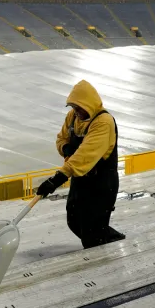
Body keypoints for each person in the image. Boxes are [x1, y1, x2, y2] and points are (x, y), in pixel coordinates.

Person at [35, 80, 125, 249]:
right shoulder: (73, 118)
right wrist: (67, 149)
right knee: (74, 220)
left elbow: (84, 155)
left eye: (79, 108)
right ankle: (110, 238)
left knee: (92, 232)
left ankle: (102, 258)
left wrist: (56, 179)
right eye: (73, 108)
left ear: (89, 104)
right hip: (80, 179)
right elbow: (61, 139)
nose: (76, 112)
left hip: (101, 184)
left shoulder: (103, 121)